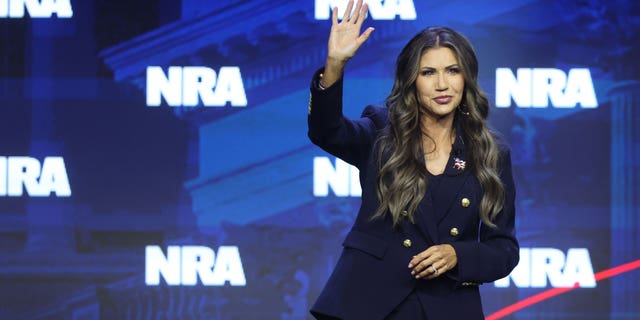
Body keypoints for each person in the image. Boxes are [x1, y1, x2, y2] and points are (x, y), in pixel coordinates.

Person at [307, 0, 519, 319]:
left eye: (452, 71)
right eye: (428, 72)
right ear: (412, 81)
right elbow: (327, 131)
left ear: (467, 77)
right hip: (368, 305)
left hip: (445, 307)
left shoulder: (490, 152)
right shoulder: (381, 131)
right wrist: (334, 65)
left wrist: (457, 254)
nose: (442, 84)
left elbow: (504, 249)